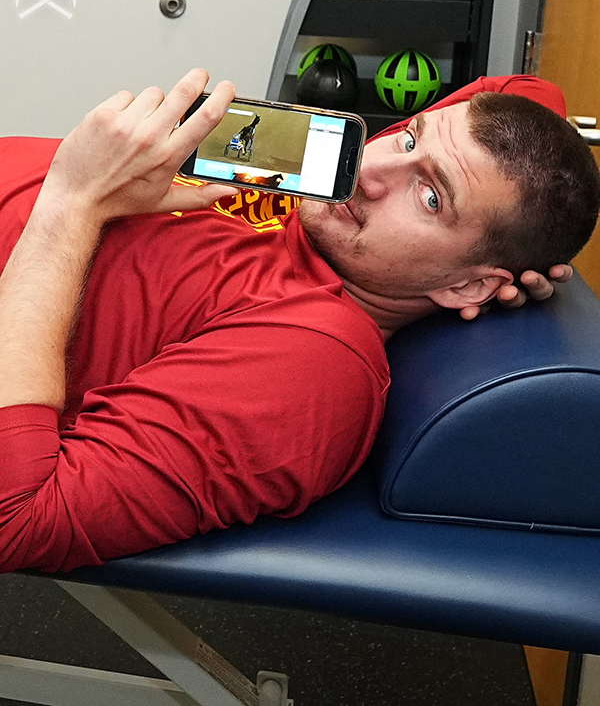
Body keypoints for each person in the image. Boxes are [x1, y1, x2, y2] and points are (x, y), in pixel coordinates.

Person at [0, 70, 597, 573]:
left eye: (430, 197)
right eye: (408, 138)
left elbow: (17, 522)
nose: (370, 172)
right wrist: (528, 207)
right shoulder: (340, 198)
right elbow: (524, 92)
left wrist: (72, 200)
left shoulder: (317, 358)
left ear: (467, 285)